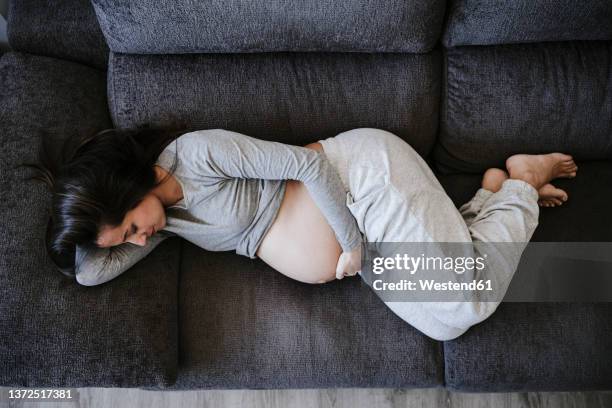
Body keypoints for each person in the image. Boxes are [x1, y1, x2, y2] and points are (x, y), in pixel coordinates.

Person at [22, 126, 577, 341]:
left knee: (465, 303)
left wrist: (353, 247)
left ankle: (522, 184)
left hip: (364, 183)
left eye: (129, 229)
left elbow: (309, 167)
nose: (137, 243)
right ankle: (490, 200)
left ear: (125, 188)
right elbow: (91, 272)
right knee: (443, 327)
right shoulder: (166, 226)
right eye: (127, 241)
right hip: (363, 234)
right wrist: (81, 227)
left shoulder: (196, 154)